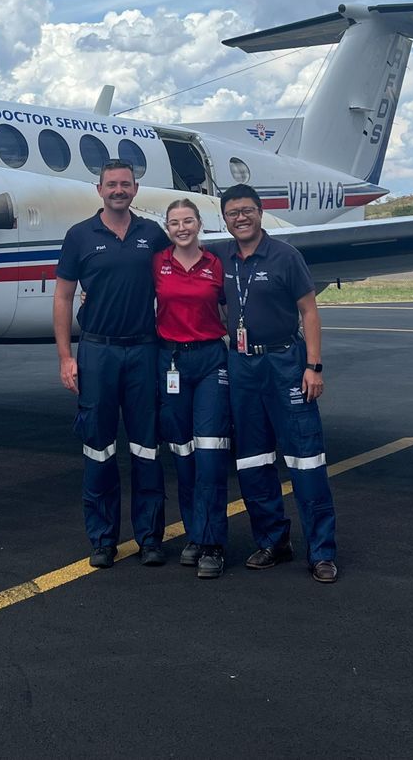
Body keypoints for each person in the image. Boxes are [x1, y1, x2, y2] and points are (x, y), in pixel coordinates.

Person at [218, 183, 338, 583]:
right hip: (242, 366)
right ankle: (273, 541)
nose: (241, 217)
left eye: (247, 210)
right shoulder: (224, 260)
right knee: (252, 460)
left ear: (260, 212)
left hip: (285, 362)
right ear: (225, 218)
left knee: (306, 459)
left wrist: (314, 366)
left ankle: (321, 551)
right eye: (233, 212)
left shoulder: (286, 256)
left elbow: (309, 311)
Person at [53, 159, 170, 569]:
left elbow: (174, 281)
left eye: (125, 184)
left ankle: (150, 538)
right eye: (111, 184)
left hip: (143, 351)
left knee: (146, 449)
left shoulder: (152, 235)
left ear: (135, 189)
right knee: (98, 449)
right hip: (98, 353)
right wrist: (67, 356)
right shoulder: (79, 236)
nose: (118, 190)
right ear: (98, 189)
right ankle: (102, 539)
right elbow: (64, 296)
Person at [154, 199, 230, 579]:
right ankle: (194, 535)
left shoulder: (217, 265)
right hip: (171, 362)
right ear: (167, 228)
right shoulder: (157, 263)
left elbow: (239, 305)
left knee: (210, 454)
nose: (181, 227)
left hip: (210, 361)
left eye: (188, 221)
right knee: (183, 454)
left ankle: (213, 542)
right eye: (174, 223)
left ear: (200, 224)